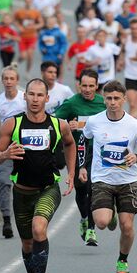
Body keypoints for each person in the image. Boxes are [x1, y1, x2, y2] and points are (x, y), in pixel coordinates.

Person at [0, 78, 76, 273]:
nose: (36, 99)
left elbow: (70, 144)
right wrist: (6, 154)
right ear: (24, 97)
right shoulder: (12, 124)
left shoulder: (59, 125)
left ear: (47, 98)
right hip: (22, 193)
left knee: (40, 229)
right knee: (27, 243)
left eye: (40, 95)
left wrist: (71, 172)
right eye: (32, 95)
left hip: (48, 188)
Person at [78, 81, 137, 273]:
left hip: (127, 181)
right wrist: (81, 166)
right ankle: (110, 213)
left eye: (116, 99)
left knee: (127, 227)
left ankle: (122, 260)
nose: (112, 102)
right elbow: (82, 141)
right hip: (102, 179)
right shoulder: (94, 121)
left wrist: (136, 157)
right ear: (104, 99)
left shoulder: (134, 124)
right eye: (109, 98)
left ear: (124, 99)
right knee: (102, 222)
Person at [54, 69, 106, 245]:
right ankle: (84, 217)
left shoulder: (102, 103)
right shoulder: (71, 103)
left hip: (98, 153)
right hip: (76, 151)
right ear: (79, 85)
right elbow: (54, 122)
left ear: (97, 86)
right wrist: (68, 126)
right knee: (81, 189)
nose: (87, 89)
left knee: (92, 188)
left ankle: (91, 229)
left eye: (91, 86)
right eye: (84, 85)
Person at [0, 66, 27, 238]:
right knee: (4, 181)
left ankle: (27, 218)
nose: (9, 82)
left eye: (12, 78)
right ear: (2, 80)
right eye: (6, 78)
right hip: (4, 146)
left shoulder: (25, 99)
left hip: (23, 146)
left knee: (25, 183)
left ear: (17, 81)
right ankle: (6, 221)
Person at [15, 0, 43, 74]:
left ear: (32, 2)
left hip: (32, 37)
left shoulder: (35, 12)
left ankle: (27, 72)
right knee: (23, 56)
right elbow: (15, 20)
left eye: (29, 1)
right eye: (26, 1)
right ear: (24, 2)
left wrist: (34, 26)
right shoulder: (20, 12)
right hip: (22, 37)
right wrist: (19, 26)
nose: (28, 3)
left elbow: (41, 23)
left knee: (30, 56)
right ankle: (15, 63)